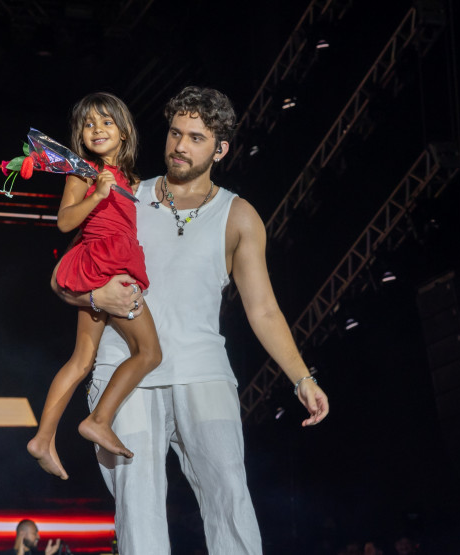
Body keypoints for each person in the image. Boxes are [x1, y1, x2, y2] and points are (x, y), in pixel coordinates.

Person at [53, 86, 330, 553]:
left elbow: (262, 309)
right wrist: (95, 293)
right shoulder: (122, 193)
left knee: (229, 499)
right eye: (175, 133)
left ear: (220, 149)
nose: (180, 146)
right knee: (137, 509)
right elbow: (64, 280)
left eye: (196, 138)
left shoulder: (238, 216)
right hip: (125, 371)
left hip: (203, 372)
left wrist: (302, 377)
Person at [27, 92, 162, 480]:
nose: (97, 129)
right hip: (105, 267)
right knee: (150, 352)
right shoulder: (83, 173)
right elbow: (65, 222)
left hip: (107, 266)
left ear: (124, 133)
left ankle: (43, 438)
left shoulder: (130, 179)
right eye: (89, 124)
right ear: (81, 136)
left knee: (82, 359)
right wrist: (99, 194)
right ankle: (99, 419)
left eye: (106, 122)